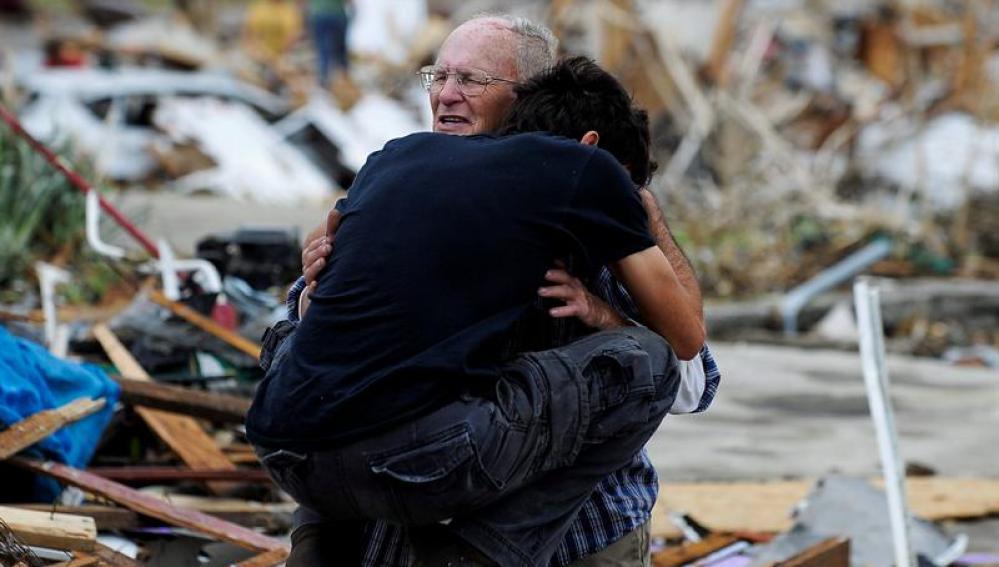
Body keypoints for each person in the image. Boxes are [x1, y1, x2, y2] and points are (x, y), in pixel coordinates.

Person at [283, 14, 720, 567]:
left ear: (525, 97)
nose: (445, 95)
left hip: (579, 537)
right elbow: (318, 346)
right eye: (437, 77)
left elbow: (688, 379)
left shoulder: (580, 211)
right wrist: (314, 288)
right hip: (413, 513)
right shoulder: (404, 180)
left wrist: (606, 315)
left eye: (470, 80)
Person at [242, 0, 302, 68]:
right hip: (260, 57)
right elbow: (249, 35)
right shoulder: (258, 9)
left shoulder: (290, 10)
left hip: (283, 56)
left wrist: (281, 55)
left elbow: (293, 35)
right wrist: (258, 54)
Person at [308, 0, 351, 88]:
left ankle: (324, 77)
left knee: (323, 48)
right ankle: (344, 76)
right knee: (340, 49)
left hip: (319, 15)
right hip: (337, 15)